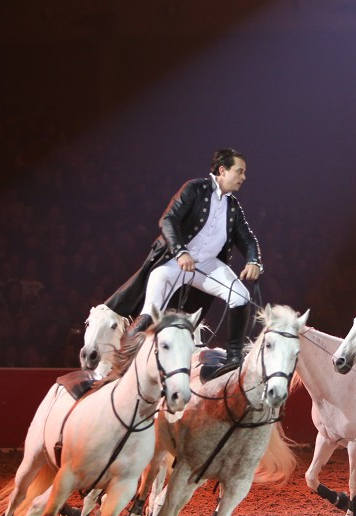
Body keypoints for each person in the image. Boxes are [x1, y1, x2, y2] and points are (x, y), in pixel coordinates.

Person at [104, 148, 263, 374]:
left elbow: (247, 237)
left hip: (206, 265)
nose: (243, 177)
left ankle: (234, 356)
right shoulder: (194, 189)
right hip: (173, 263)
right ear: (222, 170)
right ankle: (118, 364)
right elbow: (168, 220)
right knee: (150, 311)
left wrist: (253, 261)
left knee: (240, 296)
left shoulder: (233, 206)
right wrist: (180, 251)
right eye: (240, 171)